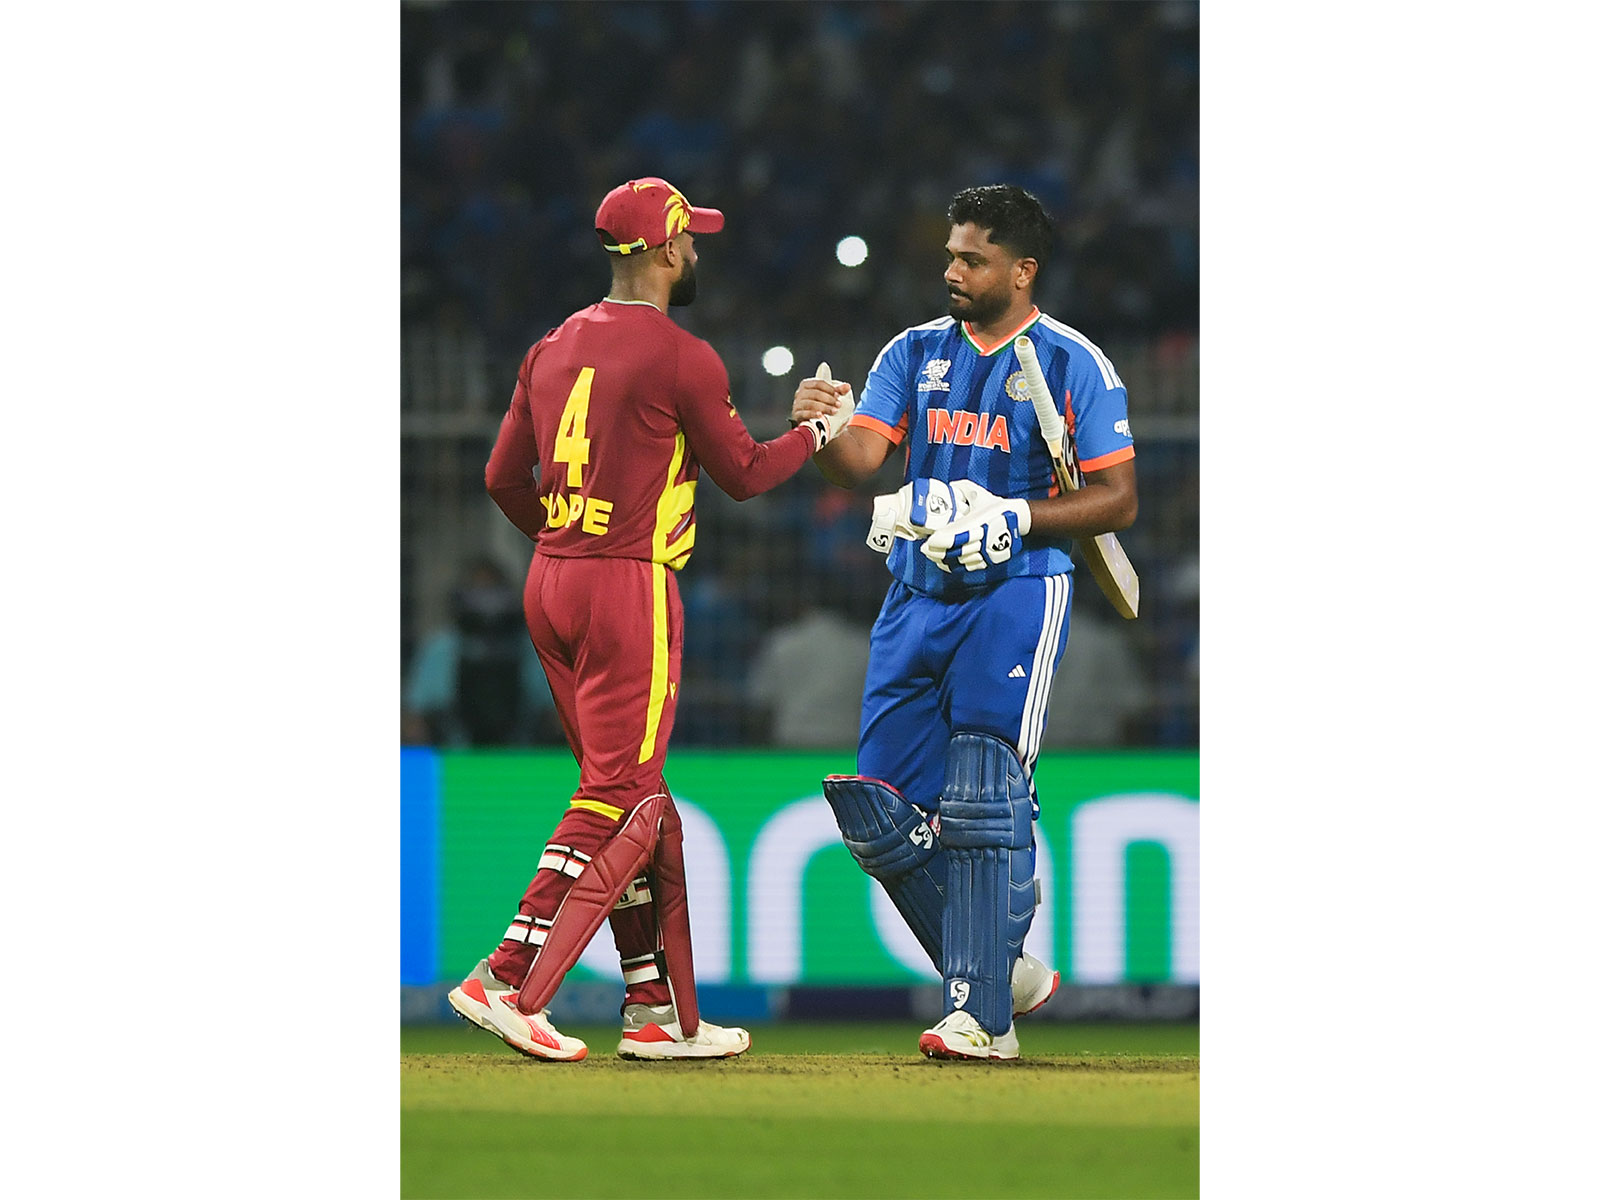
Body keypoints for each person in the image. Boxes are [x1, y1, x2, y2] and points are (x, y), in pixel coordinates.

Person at [448, 176, 852, 1061]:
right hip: (628, 584)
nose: (697, 251)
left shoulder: (550, 345)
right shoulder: (682, 355)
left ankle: (653, 1009)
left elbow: (499, 479)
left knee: (639, 798)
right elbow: (745, 473)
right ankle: (508, 976)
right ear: (668, 249)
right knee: (615, 794)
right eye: (692, 239)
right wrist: (817, 434)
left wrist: (566, 539)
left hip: (551, 577)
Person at [790, 184, 1138, 1061]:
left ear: (1021, 271)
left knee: (983, 790)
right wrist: (825, 433)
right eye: (950, 254)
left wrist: (1016, 516)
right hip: (913, 592)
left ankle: (982, 1016)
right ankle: (997, 965)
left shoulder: (1073, 364)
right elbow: (863, 460)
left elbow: (1118, 500)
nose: (950, 269)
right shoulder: (914, 351)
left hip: (1019, 591)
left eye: (971, 258)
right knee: (879, 813)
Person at [401, 556, 560, 747]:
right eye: (478, 594)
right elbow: (414, 719)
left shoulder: (531, 649)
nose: (486, 605)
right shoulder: (441, 648)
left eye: (493, 593)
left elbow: (556, 715)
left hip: (521, 759)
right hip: (455, 758)